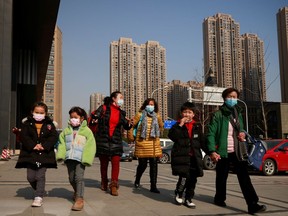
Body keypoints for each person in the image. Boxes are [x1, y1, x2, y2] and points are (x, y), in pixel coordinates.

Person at [206, 87, 266, 214]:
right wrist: (212, 151)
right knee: (222, 177)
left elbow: (242, 129)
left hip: (238, 151)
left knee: (244, 178)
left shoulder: (238, 113)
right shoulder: (218, 115)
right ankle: (219, 198)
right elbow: (210, 133)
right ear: (224, 98)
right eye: (230, 97)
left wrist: (242, 134)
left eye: (235, 97)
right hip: (223, 151)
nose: (232, 99)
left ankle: (252, 204)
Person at [15, 102, 58, 207]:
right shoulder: (26, 123)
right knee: (30, 177)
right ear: (32, 112)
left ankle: (38, 196)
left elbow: (53, 137)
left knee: (40, 176)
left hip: (44, 154)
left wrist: (44, 146)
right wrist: (33, 145)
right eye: (37, 112)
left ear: (45, 113)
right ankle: (40, 189)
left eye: (41, 112)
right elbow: (24, 136)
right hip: (30, 154)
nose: (39, 114)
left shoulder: (49, 124)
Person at [56, 106, 96, 211]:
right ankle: (77, 191)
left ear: (82, 118)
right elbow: (62, 144)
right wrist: (61, 155)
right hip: (69, 158)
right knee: (71, 178)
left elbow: (91, 145)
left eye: (75, 117)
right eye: (71, 117)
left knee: (79, 178)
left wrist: (87, 158)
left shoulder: (87, 131)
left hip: (80, 159)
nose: (73, 119)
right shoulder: (66, 131)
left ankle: (79, 199)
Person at [94, 91, 133, 196]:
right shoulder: (103, 108)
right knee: (104, 164)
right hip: (103, 141)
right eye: (120, 97)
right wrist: (94, 119)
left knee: (116, 163)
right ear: (113, 99)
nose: (122, 100)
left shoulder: (121, 112)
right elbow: (94, 118)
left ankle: (114, 185)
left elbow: (126, 126)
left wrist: (130, 124)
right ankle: (104, 181)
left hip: (116, 141)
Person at [168, 102, 204, 208]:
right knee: (183, 177)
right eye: (185, 112)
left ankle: (188, 198)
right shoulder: (177, 125)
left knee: (193, 179)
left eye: (189, 112)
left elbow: (202, 142)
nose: (187, 114)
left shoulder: (197, 125)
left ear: (193, 114)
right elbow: (173, 136)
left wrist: (211, 152)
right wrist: (180, 124)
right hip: (183, 157)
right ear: (181, 114)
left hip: (194, 158)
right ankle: (179, 194)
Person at [128, 98, 164, 193]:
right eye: (149, 104)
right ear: (145, 105)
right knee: (142, 165)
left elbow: (161, 127)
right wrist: (131, 137)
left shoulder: (157, 116)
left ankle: (153, 186)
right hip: (142, 144)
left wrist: (157, 129)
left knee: (154, 166)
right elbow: (131, 126)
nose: (150, 106)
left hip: (154, 145)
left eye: (152, 105)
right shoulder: (139, 115)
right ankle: (137, 180)